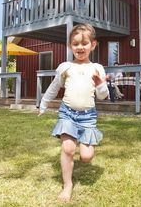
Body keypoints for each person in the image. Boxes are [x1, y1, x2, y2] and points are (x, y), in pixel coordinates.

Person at [38, 23, 109, 202]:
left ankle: (83, 151)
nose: (80, 47)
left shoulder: (97, 68)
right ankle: (67, 185)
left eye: (84, 43)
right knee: (68, 148)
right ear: (70, 46)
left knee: (86, 157)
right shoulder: (65, 67)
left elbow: (103, 96)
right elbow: (54, 87)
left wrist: (101, 84)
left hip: (88, 116)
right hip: (67, 113)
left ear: (93, 45)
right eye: (75, 44)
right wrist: (43, 104)